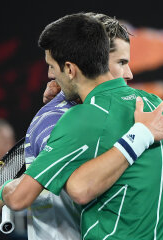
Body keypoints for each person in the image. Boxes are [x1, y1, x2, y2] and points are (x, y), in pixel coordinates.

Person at [0, 13, 163, 239]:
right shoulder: (154, 105)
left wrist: (3, 190)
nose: (50, 76)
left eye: (53, 67)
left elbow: (69, 190)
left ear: (71, 68)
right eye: (122, 63)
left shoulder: (74, 119)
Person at [23, 12, 134, 240]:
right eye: (121, 63)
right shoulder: (56, 121)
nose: (129, 74)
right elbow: (81, 188)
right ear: (96, 61)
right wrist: (141, 135)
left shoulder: (92, 113)